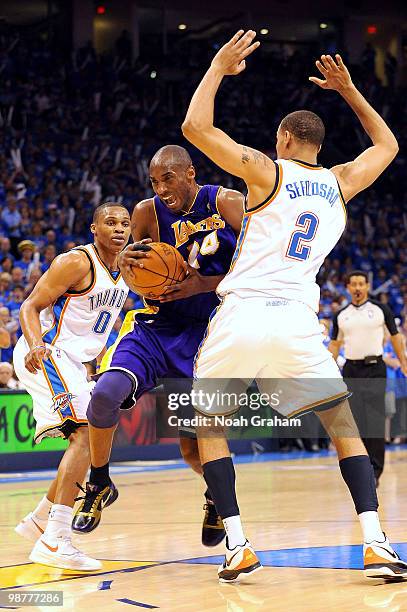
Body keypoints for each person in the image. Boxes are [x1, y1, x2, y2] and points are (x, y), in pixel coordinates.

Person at [181, 30, 407, 582]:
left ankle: (237, 545)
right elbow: (388, 147)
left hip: (242, 314)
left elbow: (195, 128)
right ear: (317, 144)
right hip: (298, 320)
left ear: (283, 138)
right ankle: (376, 541)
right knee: (342, 425)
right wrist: (351, 91)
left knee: (210, 425)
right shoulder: (339, 182)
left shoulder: (266, 171)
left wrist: (216, 66)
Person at [72, 145, 243, 549]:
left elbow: (257, 270)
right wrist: (130, 263)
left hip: (209, 332)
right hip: (159, 326)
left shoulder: (228, 202)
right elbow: (136, 271)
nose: (161, 188)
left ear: (190, 174)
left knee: (193, 450)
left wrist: (199, 284)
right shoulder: (147, 212)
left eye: (168, 178)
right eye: (154, 181)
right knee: (104, 395)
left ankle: (216, 498)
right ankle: (99, 481)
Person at [13, 203, 131, 571]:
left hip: (74, 363)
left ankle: (39, 521)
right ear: (94, 228)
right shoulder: (77, 262)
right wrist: (36, 344)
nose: (119, 229)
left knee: (91, 435)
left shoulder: (128, 268)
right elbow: (29, 306)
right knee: (84, 434)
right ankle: (55, 540)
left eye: (125, 224)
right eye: (110, 222)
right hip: (46, 351)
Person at [329, 271, 407, 485]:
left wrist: (403, 362)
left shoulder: (381, 310)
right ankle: (362, 469)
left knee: (374, 421)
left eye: (361, 284)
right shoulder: (341, 315)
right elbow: (335, 344)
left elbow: (395, 336)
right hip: (351, 371)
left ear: (367, 286)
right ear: (347, 287)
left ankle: (375, 471)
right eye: (353, 284)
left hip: (375, 369)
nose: (357, 288)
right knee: (356, 422)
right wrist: (328, 369)